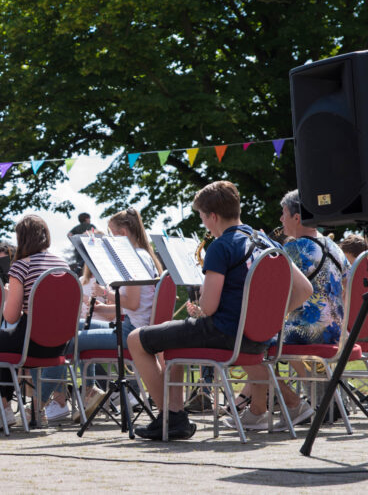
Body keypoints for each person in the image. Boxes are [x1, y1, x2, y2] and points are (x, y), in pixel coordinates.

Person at [126, 181, 313, 440]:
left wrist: (200, 307)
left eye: (202, 217)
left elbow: (210, 307)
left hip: (225, 333)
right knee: (173, 343)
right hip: (259, 337)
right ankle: (174, 412)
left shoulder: (221, 246)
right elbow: (305, 290)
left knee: (136, 339)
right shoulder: (267, 243)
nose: (203, 224)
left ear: (213, 216)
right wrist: (266, 316)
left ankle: (171, 418)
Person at [226, 190, 347, 431]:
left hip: (306, 329)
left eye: (284, 215)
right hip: (336, 328)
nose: (281, 220)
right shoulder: (333, 246)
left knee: (247, 342)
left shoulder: (298, 248)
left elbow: (269, 288)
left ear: (297, 218)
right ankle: (259, 410)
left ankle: (287, 406)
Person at [41, 208, 162, 422]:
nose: (111, 239)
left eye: (112, 233)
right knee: (71, 326)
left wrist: (105, 293)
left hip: (131, 332)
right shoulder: (145, 255)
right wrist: (100, 308)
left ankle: (47, 404)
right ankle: (86, 393)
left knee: (59, 341)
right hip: (134, 326)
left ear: (123, 233)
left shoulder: (134, 258)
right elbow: (134, 305)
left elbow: (132, 303)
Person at [0, 215, 73, 432]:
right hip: (60, 344)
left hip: (31, 342)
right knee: (2, 344)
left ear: (21, 238)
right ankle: (14, 409)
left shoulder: (21, 267)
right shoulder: (63, 264)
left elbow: (11, 317)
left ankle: (3, 409)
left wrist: (6, 296)